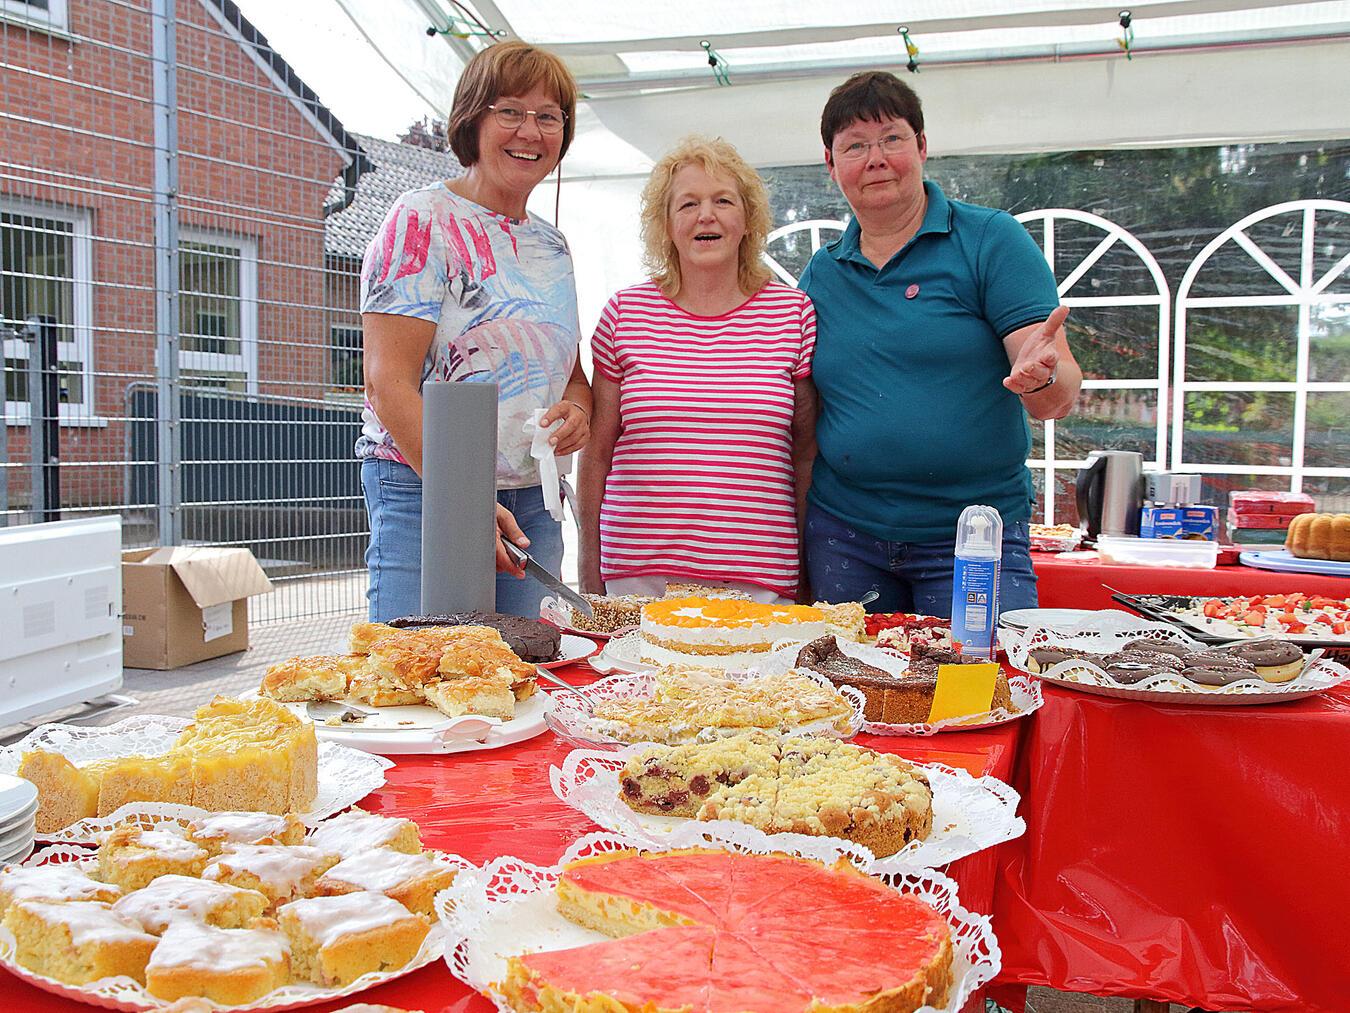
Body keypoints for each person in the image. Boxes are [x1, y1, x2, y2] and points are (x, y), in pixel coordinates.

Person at [798, 71, 1081, 616]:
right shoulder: (821, 273)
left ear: (922, 147)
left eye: (892, 138)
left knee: (976, 693)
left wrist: (1040, 378)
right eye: (854, 146)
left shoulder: (991, 241)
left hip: (973, 538)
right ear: (832, 167)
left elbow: (1057, 395)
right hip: (845, 538)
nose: (875, 157)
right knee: (857, 696)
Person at [358, 42, 591, 621]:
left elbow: (571, 377)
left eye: (548, 116)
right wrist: (464, 500)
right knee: (418, 672)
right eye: (509, 110)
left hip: (533, 503)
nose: (529, 131)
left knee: (528, 677)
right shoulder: (421, 220)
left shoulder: (553, 245)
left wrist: (577, 413)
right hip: (425, 488)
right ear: (472, 119)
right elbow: (388, 385)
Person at [578, 136, 818, 605]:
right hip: (639, 580)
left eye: (722, 201)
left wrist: (807, 570)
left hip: (759, 580)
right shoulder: (626, 313)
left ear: (747, 220)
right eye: (687, 204)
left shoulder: (793, 314)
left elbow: (804, 455)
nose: (705, 215)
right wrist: (589, 565)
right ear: (666, 226)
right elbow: (597, 450)